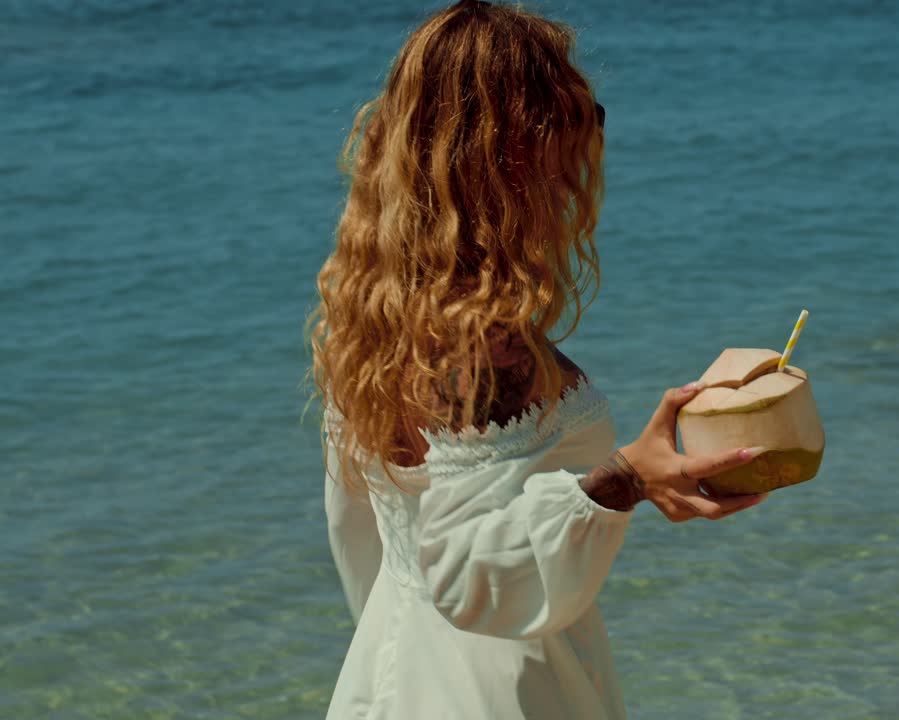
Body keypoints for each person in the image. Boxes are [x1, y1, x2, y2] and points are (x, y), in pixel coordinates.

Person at [307, 2, 769, 717]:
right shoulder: (483, 342)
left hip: (395, 664)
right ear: (505, 153)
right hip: (506, 691)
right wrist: (623, 479)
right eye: (567, 123)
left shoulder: (377, 311)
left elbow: (364, 534)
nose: (581, 160)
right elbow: (468, 575)